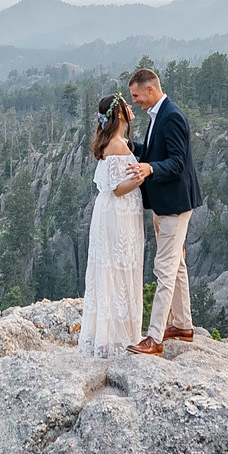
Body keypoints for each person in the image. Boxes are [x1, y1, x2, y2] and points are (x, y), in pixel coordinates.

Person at [128, 64, 203, 356]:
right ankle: (183, 325)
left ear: (150, 89)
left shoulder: (171, 116)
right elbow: (155, 152)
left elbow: (177, 163)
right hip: (163, 205)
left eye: (136, 95)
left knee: (165, 269)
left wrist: (149, 168)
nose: (135, 101)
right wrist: (132, 147)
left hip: (174, 206)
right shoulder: (158, 114)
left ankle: (155, 338)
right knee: (177, 265)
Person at [76, 94, 151, 358]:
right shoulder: (117, 145)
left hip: (117, 212)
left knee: (116, 269)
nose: (131, 108)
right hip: (118, 214)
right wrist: (142, 175)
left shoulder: (117, 141)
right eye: (126, 105)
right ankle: (119, 338)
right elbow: (118, 188)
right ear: (119, 114)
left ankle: (115, 334)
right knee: (118, 268)